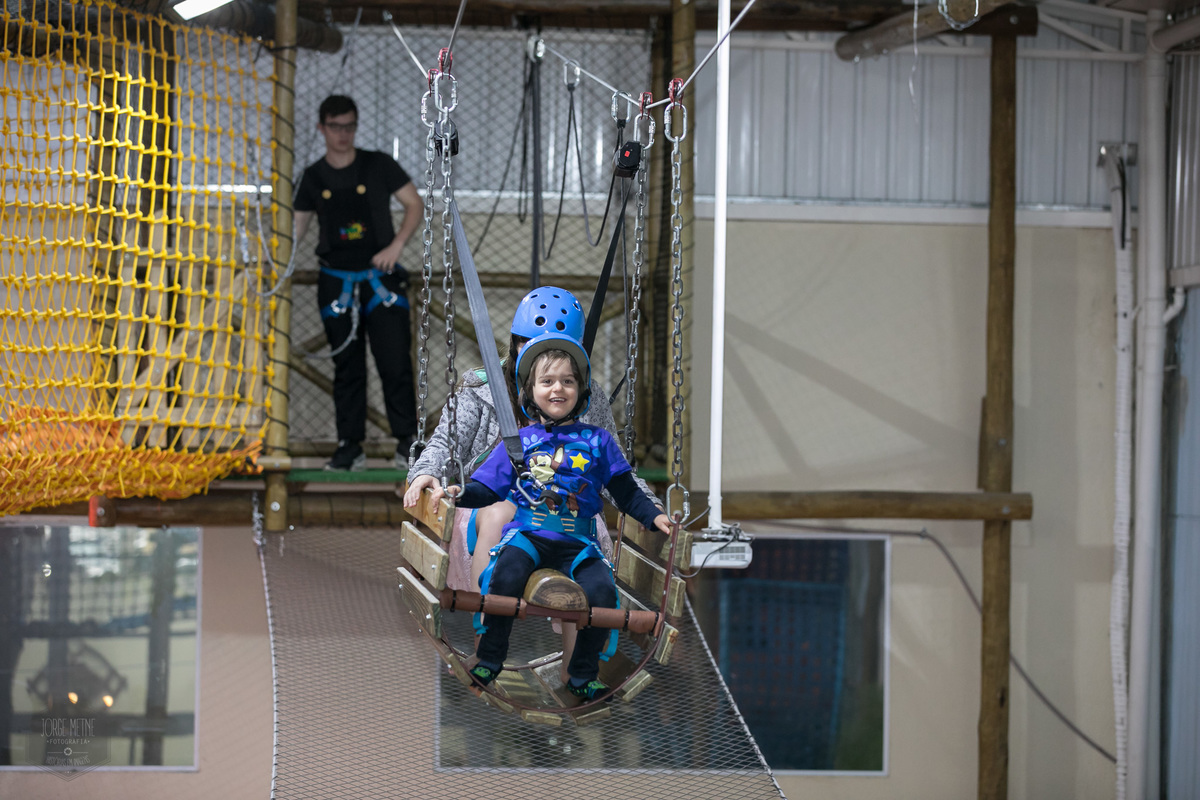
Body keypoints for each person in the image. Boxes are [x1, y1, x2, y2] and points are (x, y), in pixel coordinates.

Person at [402, 286, 659, 679]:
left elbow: (617, 475)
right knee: (503, 511)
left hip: (567, 521)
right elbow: (446, 442)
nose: (538, 356)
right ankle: (487, 645)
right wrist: (427, 472)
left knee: (592, 543)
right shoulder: (483, 388)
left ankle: (579, 668)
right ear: (515, 344)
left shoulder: (586, 401)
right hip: (490, 512)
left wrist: (650, 508)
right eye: (527, 344)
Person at [444, 332, 671, 700]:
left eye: (568, 381)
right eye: (546, 381)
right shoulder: (519, 442)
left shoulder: (598, 442)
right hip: (530, 535)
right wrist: (459, 493)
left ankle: (581, 674)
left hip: (578, 542)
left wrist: (653, 516)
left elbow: (625, 489)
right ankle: (490, 657)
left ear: (581, 391)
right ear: (530, 391)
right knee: (504, 574)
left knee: (601, 591)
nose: (557, 389)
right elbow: (489, 486)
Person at [294, 95, 422, 472]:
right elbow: (295, 230)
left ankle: (406, 442)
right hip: (336, 282)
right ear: (321, 128)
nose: (343, 134)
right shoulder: (312, 177)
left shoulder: (379, 164)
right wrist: (273, 255)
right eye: (335, 127)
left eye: (349, 126)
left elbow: (414, 204)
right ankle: (350, 446)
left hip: (380, 279)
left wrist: (396, 247)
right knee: (346, 367)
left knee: (394, 360)